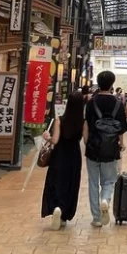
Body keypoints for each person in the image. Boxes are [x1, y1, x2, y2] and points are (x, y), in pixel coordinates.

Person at [83, 70, 127, 227]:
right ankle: (105, 199)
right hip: (111, 148)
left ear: (98, 83)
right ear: (112, 84)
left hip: (93, 147)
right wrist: (121, 144)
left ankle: (96, 218)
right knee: (109, 180)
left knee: (93, 183)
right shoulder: (118, 103)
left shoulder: (91, 102)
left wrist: (87, 143)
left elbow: (86, 125)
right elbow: (121, 128)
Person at [41, 93, 84, 230]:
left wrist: (47, 137)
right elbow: (85, 139)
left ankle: (56, 207)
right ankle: (64, 214)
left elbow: (55, 140)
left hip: (59, 156)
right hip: (74, 156)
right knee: (71, 184)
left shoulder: (59, 120)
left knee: (56, 182)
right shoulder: (82, 122)